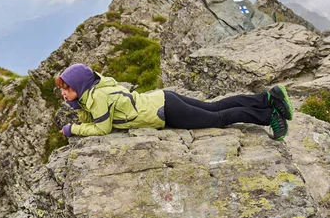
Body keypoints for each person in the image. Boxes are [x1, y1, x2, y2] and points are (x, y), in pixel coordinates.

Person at [56, 63, 293, 140]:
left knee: (218, 119)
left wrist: (72, 129)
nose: (64, 94)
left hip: (165, 111)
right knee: (214, 106)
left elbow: (102, 128)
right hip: (163, 98)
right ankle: (267, 98)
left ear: (79, 85)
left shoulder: (97, 97)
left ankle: (268, 116)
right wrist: (76, 105)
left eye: (67, 89)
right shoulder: (97, 87)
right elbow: (92, 115)